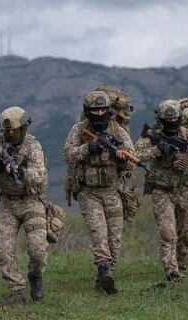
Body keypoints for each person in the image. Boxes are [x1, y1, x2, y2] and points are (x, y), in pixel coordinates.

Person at [63, 91, 134, 294]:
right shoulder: (78, 130)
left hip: (113, 190)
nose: (99, 113)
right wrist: (87, 149)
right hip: (89, 192)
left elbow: (132, 156)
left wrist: (122, 158)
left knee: (115, 239)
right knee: (98, 232)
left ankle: (104, 276)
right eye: (95, 110)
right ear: (88, 111)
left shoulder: (117, 130)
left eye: (103, 109)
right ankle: (104, 270)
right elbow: (67, 154)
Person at [0, 106, 48, 306]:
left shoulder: (33, 145)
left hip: (31, 201)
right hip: (6, 202)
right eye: (5, 130)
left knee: (37, 249)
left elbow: (37, 174)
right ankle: (17, 291)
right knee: (1, 247)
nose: (8, 134)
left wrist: (20, 172)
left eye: (12, 130)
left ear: (24, 128)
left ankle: (35, 276)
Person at [135, 100, 188, 280]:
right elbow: (135, 155)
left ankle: (182, 266)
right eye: (167, 119)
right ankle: (171, 270)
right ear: (161, 119)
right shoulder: (151, 135)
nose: (171, 122)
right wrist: (157, 150)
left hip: (185, 188)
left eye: (175, 119)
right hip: (162, 189)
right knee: (168, 232)